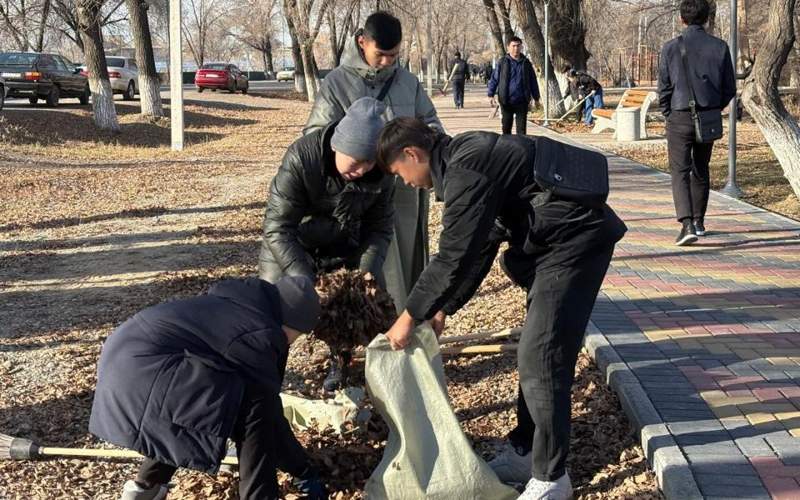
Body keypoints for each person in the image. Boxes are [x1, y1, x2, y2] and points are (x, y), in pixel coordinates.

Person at [376, 118, 626, 500]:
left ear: (413, 153)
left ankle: (551, 478)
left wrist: (409, 317)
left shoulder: (466, 168)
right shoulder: (466, 159)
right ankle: (527, 451)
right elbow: (482, 243)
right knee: (537, 347)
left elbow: (451, 256)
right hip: (556, 243)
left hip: (575, 241)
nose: (406, 183)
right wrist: (444, 308)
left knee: (541, 354)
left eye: (400, 172)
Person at [89, 276, 327, 500]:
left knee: (202, 400)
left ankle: (144, 488)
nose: (290, 343)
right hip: (145, 373)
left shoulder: (239, 306)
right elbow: (266, 418)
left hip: (124, 361)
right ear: (290, 321)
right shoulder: (261, 333)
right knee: (253, 408)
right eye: (294, 336)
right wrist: (303, 469)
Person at [304, 10, 442, 322]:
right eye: (381, 54)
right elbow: (316, 137)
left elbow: (431, 123)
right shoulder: (337, 84)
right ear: (361, 42)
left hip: (405, 197)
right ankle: (348, 351)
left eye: (394, 55)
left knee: (405, 268)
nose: (387, 62)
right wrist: (355, 150)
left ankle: (404, 333)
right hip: (358, 196)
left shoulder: (408, 82)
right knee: (358, 273)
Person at [260, 97, 395, 392]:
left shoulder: (382, 175)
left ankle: (340, 360)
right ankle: (267, 371)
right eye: (355, 160)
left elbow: (381, 229)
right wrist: (304, 280)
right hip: (291, 243)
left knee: (353, 302)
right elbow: (277, 227)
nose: (360, 170)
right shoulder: (302, 158)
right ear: (336, 144)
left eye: (369, 162)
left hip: (343, 240)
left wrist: (363, 275)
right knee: (273, 305)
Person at [658, 0, 735, 245]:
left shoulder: (670, 48)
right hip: (708, 116)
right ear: (706, 19)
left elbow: (664, 87)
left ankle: (687, 223)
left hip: (679, 116)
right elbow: (729, 88)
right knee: (701, 167)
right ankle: (699, 222)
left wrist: (668, 112)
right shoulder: (720, 47)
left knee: (679, 171)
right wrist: (714, 107)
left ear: (682, 19)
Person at [487, 36, 541, 135]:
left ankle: (521, 150)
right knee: (506, 128)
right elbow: (494, 79)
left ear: (521, 47)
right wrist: (490, 95)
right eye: (513, 46)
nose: (516, 48)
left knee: (521, 130)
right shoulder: (502, 62)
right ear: (508, 47)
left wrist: (536, 98)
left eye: (518, 46)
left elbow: (533, 81)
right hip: (506, 101)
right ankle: (507, 149)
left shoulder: (526, 63)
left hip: (522, 101)